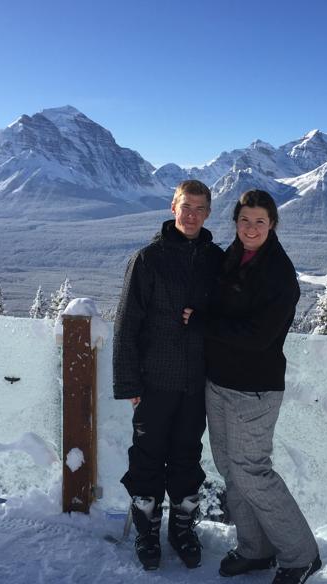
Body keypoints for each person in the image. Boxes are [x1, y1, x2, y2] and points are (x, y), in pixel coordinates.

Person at [183, 189, 322, 584]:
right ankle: (254, 549)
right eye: (245, 220)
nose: (251, 228)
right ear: (236, 222)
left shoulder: (278, 272)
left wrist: (203, 324)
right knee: (230, 469)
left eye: (260, 221)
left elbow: (259, 335)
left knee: (252, 472)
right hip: (220, 382)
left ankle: (301, 555)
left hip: (254, 389)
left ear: (273, 224)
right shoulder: (233, 256)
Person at [113, 179, 224, 571]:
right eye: (185, 206)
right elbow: (126, 324)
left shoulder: (217, 260)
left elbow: (229, 314)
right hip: (155, 381)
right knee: (147, 457)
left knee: (186, 457)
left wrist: (206, 321)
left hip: (197, 382)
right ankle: (147, 532)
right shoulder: (148, 259)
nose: (192, 215)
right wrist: (129, 384)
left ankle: (181, 528)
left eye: (200, 208)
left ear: (208, 213)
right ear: (172, 207)